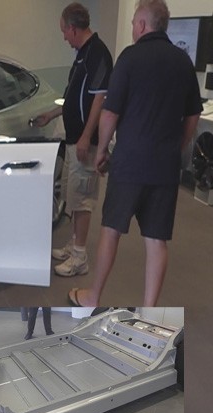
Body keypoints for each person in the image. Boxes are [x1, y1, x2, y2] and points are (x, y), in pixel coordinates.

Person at [68, 0, 202, 307]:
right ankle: (149, 310)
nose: (131, 28)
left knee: (111, 230)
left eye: (132, 23)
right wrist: (178, 146)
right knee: (156, 240)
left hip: (129, 163)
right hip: (165, 168)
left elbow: (110, 113)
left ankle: (93, 297)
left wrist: (102, 150)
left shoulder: (130, 57)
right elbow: (193, 115)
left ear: (142, 24)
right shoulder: (183, 61)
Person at [34, 3, 113, 277]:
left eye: (64, 31)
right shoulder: (82, 54)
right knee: (73, 195)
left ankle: (80, 257)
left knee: (83, 198)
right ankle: (73, 244)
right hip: (73, 139)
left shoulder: (98, 53)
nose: (64, 37)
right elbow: (72, 98)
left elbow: (100, 100)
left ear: (73, 27)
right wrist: (51, 114)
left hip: (84, 142)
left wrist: (86, 137)